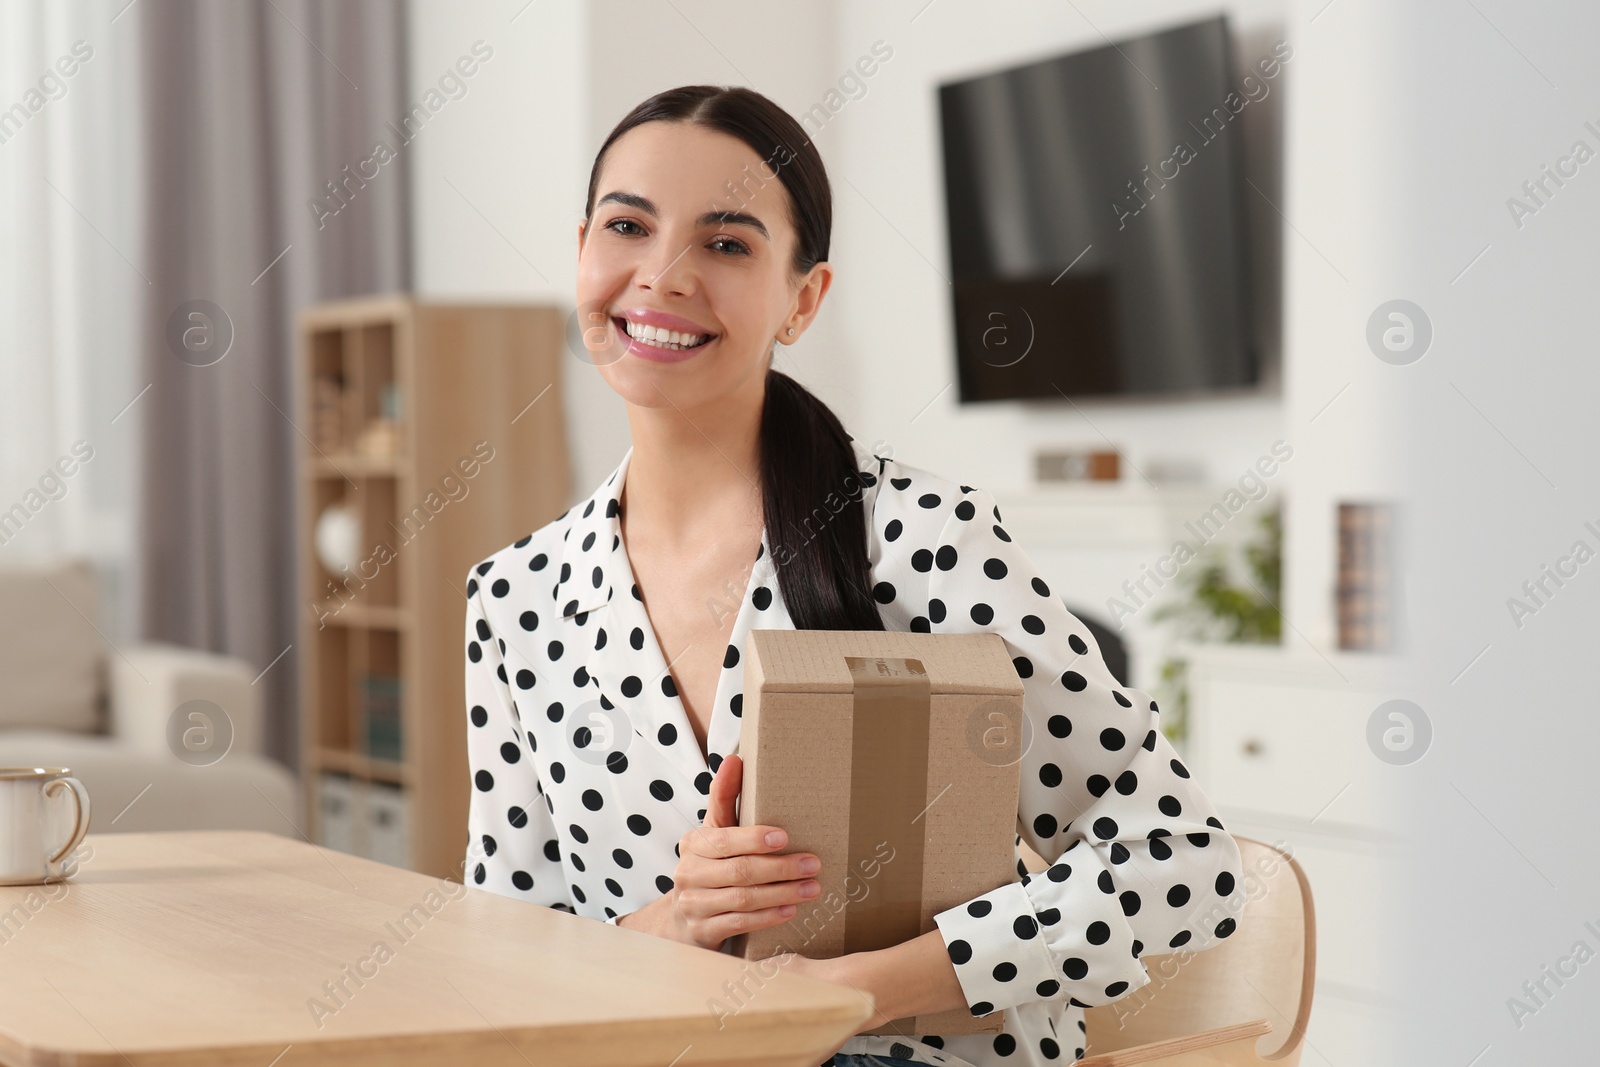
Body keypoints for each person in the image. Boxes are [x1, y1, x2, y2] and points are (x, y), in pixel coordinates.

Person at [462, 84, 1247, 1067]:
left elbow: (1181, 864)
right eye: (628, 226)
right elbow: (504, 965)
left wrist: (862, 988)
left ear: (803, 297)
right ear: (583, 249)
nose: (661, 274)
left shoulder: (922, 539)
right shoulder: (514, 598)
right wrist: (675, 924)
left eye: (727, 242)